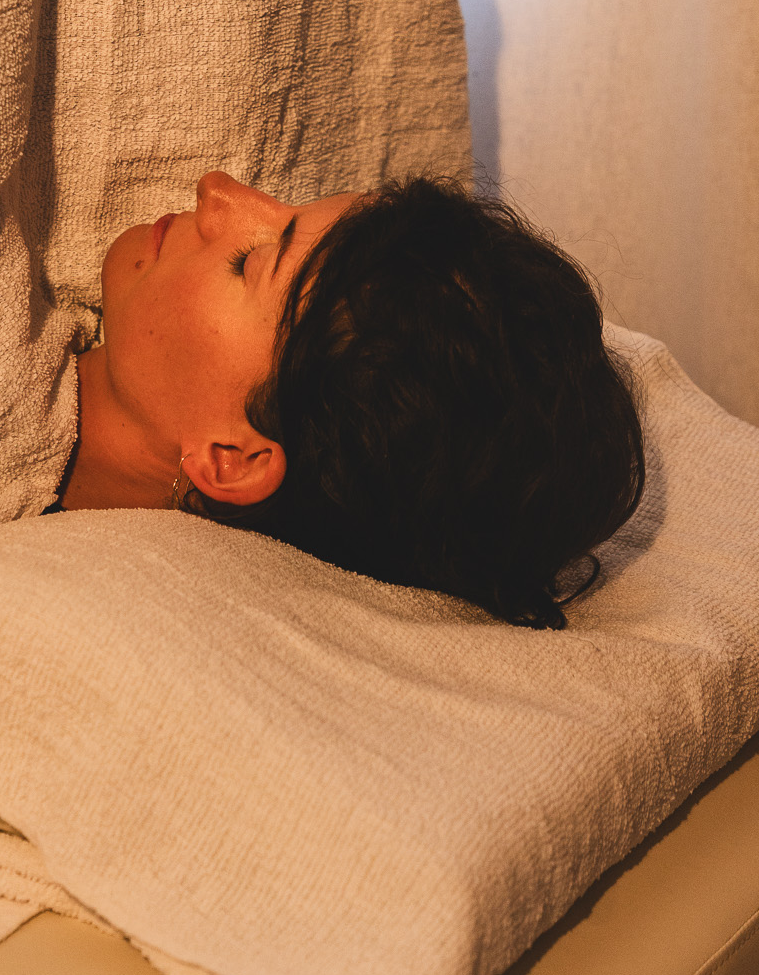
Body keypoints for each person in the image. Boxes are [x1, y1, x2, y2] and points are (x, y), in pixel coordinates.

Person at [58, 171, 645, 630]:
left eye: (249, 263)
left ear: (234, 458)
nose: (217, 192)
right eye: (288, 207)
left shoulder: (80, 607)